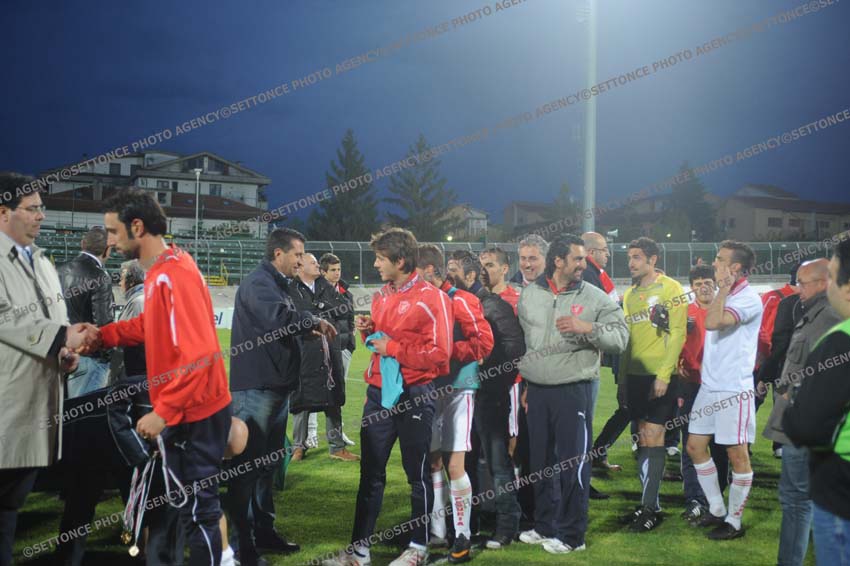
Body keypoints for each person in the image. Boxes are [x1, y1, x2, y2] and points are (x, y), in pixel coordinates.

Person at [93, 188, 233, 565]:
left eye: (113, 231)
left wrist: (164, 411)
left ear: (137, 227)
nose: (110, 241)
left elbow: (199, 356)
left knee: (198, 514)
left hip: (195, 413)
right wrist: (102, 336)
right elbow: (151, 326)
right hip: (192, 408)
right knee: (192, 510)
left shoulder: (173, 274)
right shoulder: (167, 267)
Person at [324, 228, 452, 566]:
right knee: (370, 474)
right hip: (378, 394)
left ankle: (418, 547)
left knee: (417, 475)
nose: (376, 264)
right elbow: (382, 343)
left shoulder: (433, 298)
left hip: (415, 394)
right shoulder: (381, 296)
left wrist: (392, 347)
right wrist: (369, 331)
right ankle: (359, 551)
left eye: (381, 258)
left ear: (401, 260)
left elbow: (441, 354)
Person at [227, 231, 337, 565]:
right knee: (247, 470)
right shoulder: (259, 283)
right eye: (298, 255)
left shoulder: (276, 284)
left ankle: (264, 532)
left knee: (266, 466)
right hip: (256, 389)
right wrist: (312, 320)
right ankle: (241, 545)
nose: (301, 261)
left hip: (274, 386)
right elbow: (278, 320)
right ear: (279, 253)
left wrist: (305, 329)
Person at [516, 234, 628, 555]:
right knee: (540, 464)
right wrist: (528, 384)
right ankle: (545, 526)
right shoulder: (530, 294)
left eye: (584, 258)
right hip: (538, 391)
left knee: (572, 464)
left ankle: (572, 536)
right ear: (558, 261)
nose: (583, 264)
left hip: (573, 390)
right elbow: (529, 343)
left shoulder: (594, 297)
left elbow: (621, 337)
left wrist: (587, 328)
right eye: (577, 258)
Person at [0, 175, 83, 566]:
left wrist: (64, 352)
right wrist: (59, 336)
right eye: (32, 209)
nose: (41, 216)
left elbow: (54, 322)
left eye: (41, 208)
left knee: (9, 509)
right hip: (7, 410)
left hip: (36, 409)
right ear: (3, 212)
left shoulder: (43, 261)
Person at [418, 245, 493, 563]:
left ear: (429, 271)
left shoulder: (461, 299)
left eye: (416, 273)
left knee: (454, 465)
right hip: (428, 388)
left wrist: (445, 350)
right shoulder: (422, 299)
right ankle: (437, 532)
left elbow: (483, 343)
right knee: (433, 461)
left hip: (458, 390)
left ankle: (462, 535)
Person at [763, 259, 840, 566]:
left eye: (802, 283)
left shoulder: (828, 316)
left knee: (797, 500)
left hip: (805, 424)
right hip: (802, 421)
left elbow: (827, 372)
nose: (797, 289)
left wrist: (795, 396)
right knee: (800, 499)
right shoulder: (816, 312)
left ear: (822, 283)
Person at [686, 240, 763, 540]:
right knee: (695, 446)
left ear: (735, 267)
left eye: (719, 259)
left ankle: (735, 521)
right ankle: (717, 509)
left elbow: (715, 322)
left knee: (737, 454)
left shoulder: (749, 298)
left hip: (733, 389)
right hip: (710, 386)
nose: (714, 263)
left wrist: (723, 289)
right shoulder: (728, 294)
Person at [784, 237, 850, 566]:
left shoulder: (841, 339)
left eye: (833, 277)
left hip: (841, 486)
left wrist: (792, 406)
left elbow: (808, 426)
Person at [617, 237, 688, 532]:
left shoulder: (671, 289)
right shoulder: (630, 294)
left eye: (637, 257)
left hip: (659, 376)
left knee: (654, 437)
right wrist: (622, 380)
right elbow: (627, 341)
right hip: (635, 376)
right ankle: (649, 504)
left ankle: (650, 508)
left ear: (653, 259)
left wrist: (664, 375)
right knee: (643, 439)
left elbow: (678, 333)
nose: (631, 262)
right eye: (629, 257)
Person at [459, 251, 526, 550]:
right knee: (468, 460)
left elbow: (513, 350)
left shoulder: (496, 305)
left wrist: (493, 380)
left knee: (499, 461)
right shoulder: (465, 302)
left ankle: (507, 525)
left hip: (491, 395)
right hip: (468, 396)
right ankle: (471, 522)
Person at [289, 253, 357, 462]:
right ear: (301, 267)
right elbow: (298, 313)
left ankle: (337, 447)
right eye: (313, 263)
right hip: (304, 349)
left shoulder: (325, 285)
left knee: (333, 396)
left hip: (330, 347)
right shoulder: (291, 288)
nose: (317, 265)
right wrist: (321, 311)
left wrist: (318, 309)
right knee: (302, 397)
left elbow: (342, 308)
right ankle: (298, 447)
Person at [676, 264, 729, 522]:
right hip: (691, 385)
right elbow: (672, 343)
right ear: (691, 288)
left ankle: (715, 497)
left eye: (707, 282)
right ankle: (694, 499)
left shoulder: (726, 312)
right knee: (690, 443)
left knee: (720, 444)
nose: (703, 287)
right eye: (697, 284)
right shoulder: (684, 313)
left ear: (715, 284)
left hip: (720, 385)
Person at [580, 231, 622, 497]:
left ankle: (587, 471)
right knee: (583, 424)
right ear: (591, 252)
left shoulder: (594, 275)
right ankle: (582, 480)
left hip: (592, 356)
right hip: (585, 359)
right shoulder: (589, 275)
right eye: (604, 249)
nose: (608, 253)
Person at [57, 226, 114, 397]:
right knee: (87, 411)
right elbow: (103, 323)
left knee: (66, 409)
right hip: (90, 358)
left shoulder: (59, 270)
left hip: (62, 353)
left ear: (83, 244)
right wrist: (106, 357)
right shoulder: (100, 276)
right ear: (107, 250)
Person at [319, 253, 357, 447]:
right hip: (324, 348)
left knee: (339, 391)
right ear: (323, 272)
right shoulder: (317, 292)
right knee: (314, 390)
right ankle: (309, 435)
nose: (337, 273)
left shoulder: (346, 292)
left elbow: (350, 319)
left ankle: (338, 433)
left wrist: (350, 342)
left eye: (339, 269)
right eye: (333, 270)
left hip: (344, 348)